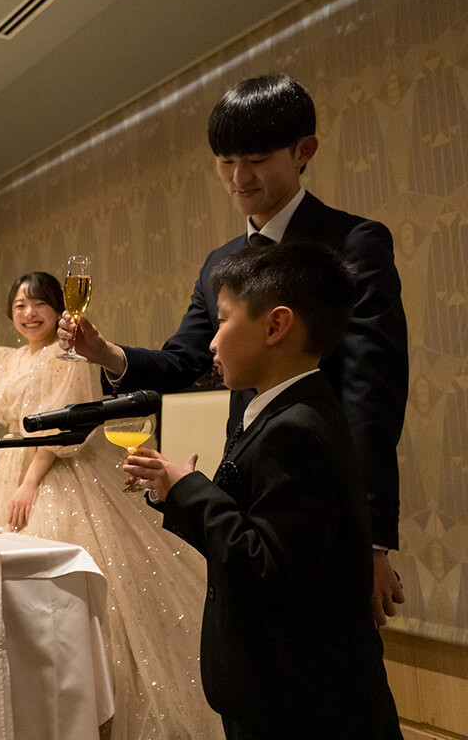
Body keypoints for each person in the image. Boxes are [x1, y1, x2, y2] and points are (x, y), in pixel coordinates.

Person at [59, 74, 408, 626]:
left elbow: (372, 392)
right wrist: (107, 354)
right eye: (226, 162)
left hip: (324, 496)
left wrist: (372, 540)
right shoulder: (220, 263)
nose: (239, 179)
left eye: (258, 160)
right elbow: (187, 362)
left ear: (304, 151)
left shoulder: (352, 243)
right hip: (244, 486)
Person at [0, 272, 220, 740]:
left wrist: (29, 482)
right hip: (4, 464)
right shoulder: (2, 358)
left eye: (39, 303)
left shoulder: (69, 355)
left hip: (60, 464)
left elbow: (68, 424)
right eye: (19, 305)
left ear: (59, 308)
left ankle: (84, 702)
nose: (28, 313)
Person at [124, 243, 402, 739]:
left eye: (222, 321)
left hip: (300, 701)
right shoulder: (283, 411)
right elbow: (249, 530)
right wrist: (173, 488)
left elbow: (265, 562)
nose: (211, 343)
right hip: (283, 690)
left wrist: (190, 489)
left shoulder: (294, 431)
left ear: (275, 326)